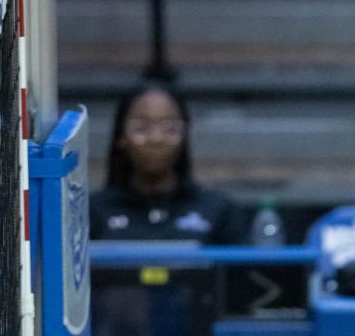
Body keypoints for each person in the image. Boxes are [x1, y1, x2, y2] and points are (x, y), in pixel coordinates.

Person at [89, 83, 255, 244]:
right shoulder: (92, 212)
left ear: (185, 135)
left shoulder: (220, 211)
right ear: (121, 136)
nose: (156, 139)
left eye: (170, 128)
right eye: (141, 127)